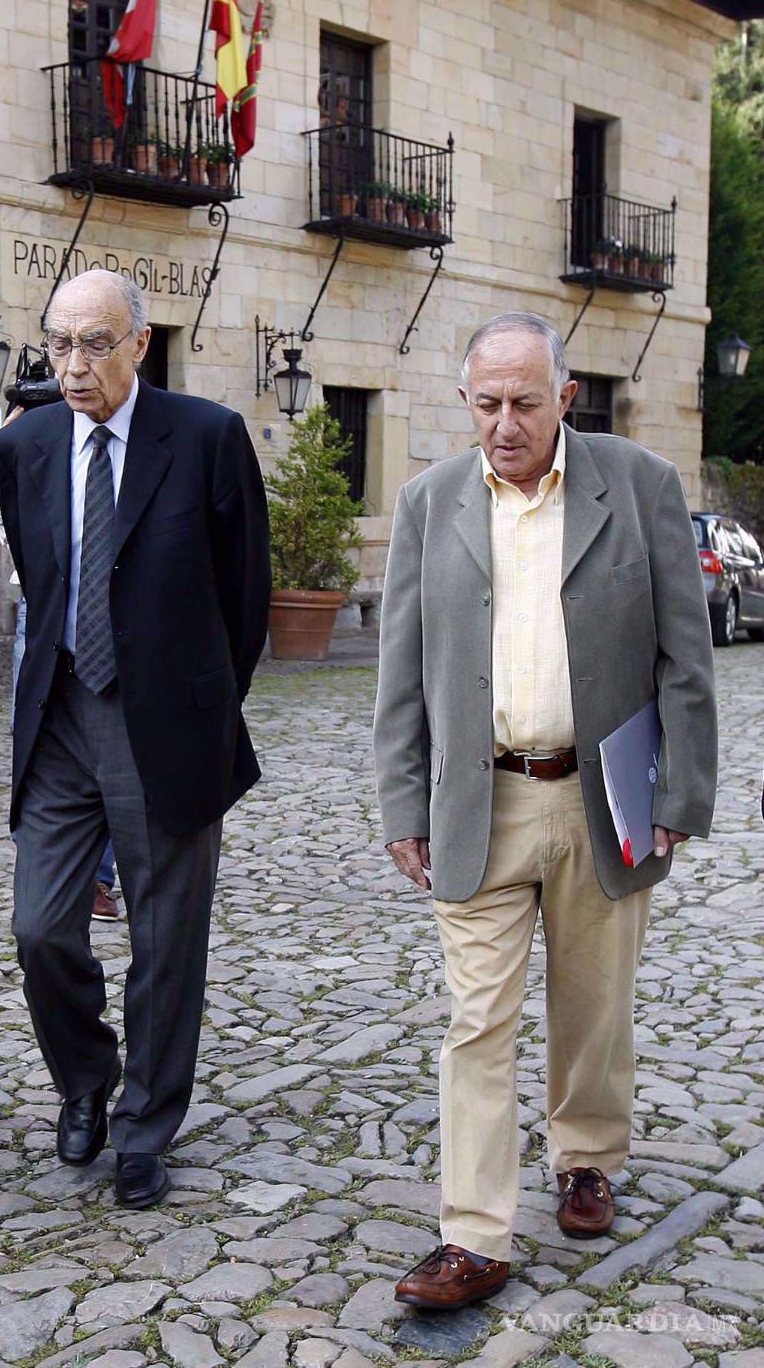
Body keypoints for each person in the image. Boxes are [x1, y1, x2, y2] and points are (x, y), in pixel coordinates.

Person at [374, 311, 717, 1308]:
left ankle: (587, 1158)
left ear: (566, 397)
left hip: (601, 791)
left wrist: (679, 794)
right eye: (487, 404)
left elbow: (685, 660)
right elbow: (401, 671)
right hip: (480, 798)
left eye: (526, 402)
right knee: (476, 1020)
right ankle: (474, 1234)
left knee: (593, 1002)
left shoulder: (640, 485)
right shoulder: (430, 504)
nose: (505, 423)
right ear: (467, 403)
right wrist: (405, 801)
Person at [0, 269, 270, 1209]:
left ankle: (147, 1123)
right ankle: (85, 1079)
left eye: (96, 343)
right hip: (62, 716)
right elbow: (45, 577)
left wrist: (198, 702)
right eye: (59, 343)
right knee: (39, 926)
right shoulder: (26, 445)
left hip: (170, 724)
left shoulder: (205, 437)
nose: (74, 366)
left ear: (140, 345)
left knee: (165, 938)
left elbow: (246, 595)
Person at [0, 496, 120, 921]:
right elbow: (6, 522)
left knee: (110, 746)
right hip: (46, 601)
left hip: (115, 602)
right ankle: (48, 869)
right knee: (33, 735)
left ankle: (98, 877)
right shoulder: (27, 442)